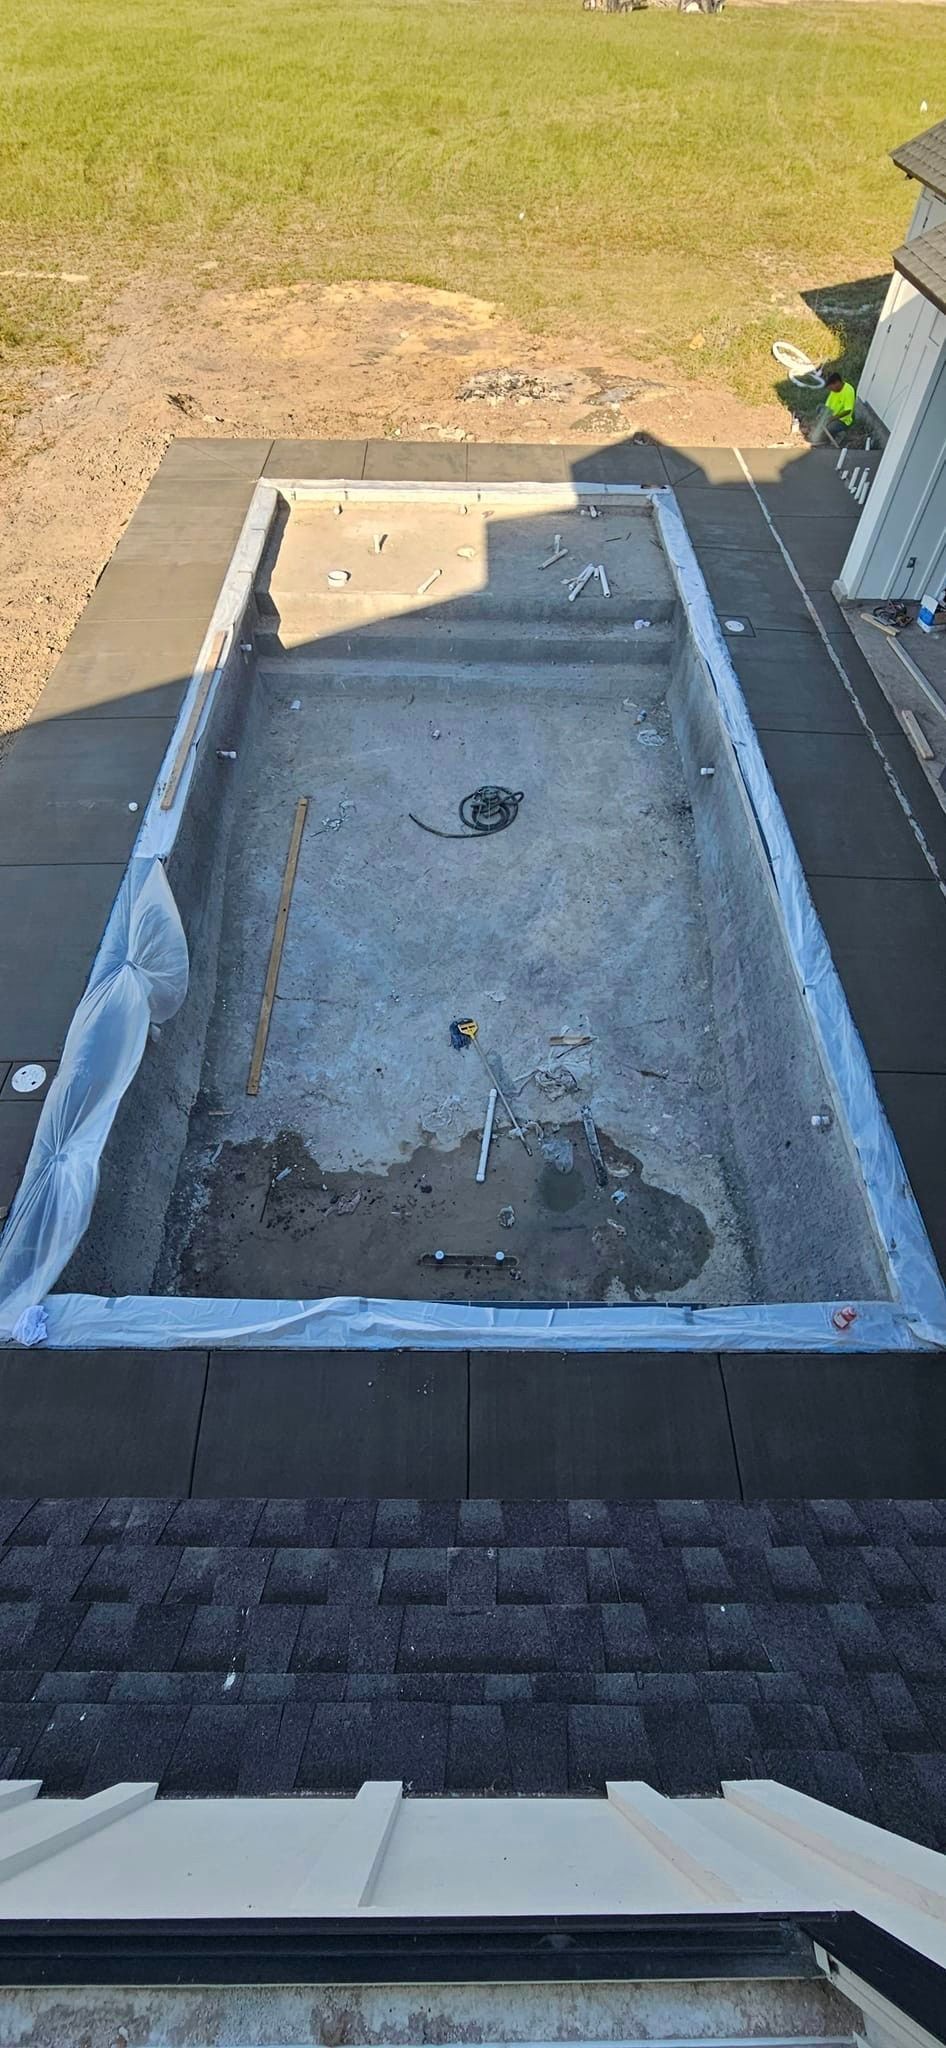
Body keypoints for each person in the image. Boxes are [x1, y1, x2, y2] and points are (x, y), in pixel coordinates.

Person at [810, 370, 856, 445]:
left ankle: (839, 434)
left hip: (842, 420)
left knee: (830, 428)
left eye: (831, 388)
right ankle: (821, 433)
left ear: (837, 383)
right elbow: (827, 406)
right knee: (819, 407)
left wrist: (833, 418)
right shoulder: (834, 391)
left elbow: (848, 410)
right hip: (831, 415)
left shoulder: (849, 390)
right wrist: (822, 416)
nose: (831, 390)